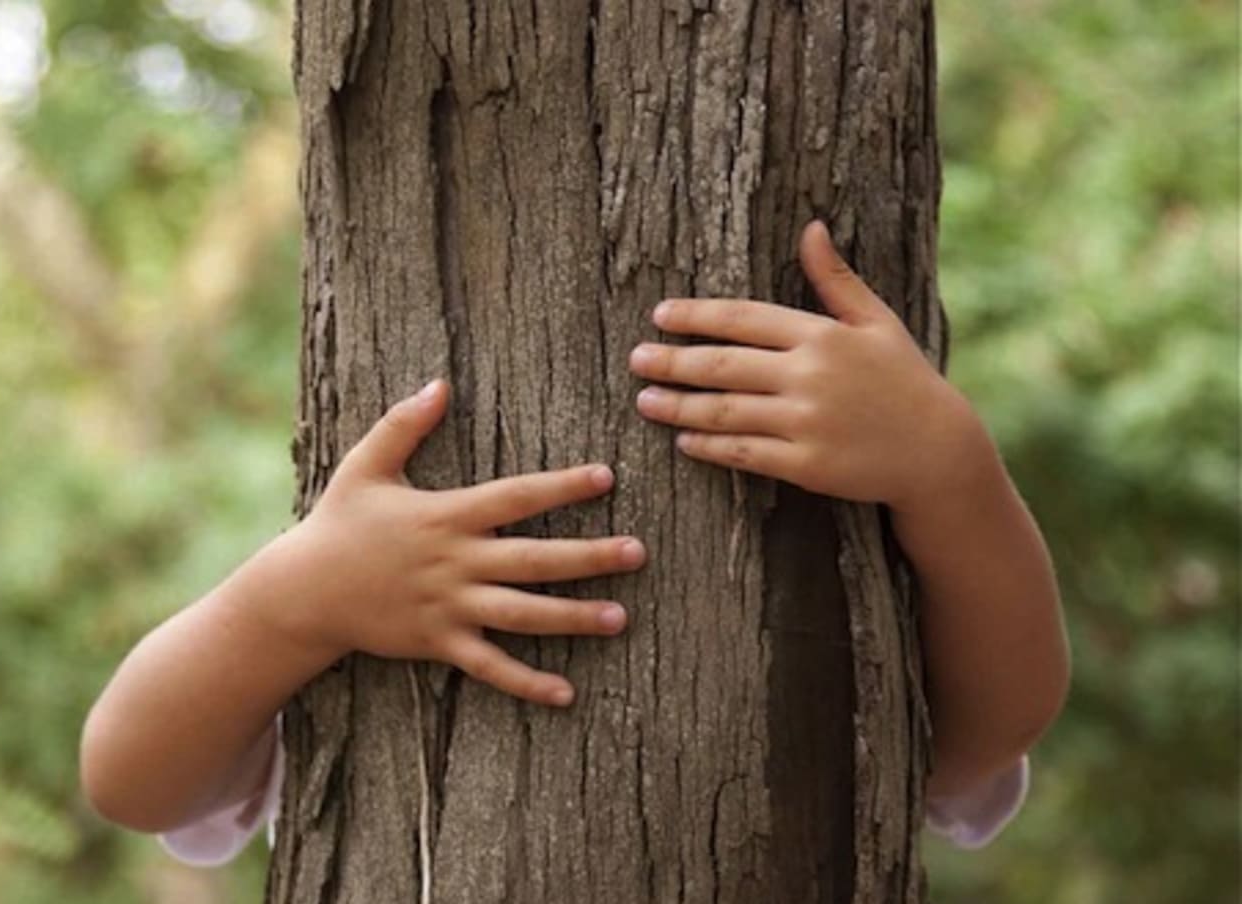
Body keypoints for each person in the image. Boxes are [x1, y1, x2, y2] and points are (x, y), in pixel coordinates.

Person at [79, 220, 1069, 866]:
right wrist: (294, 599)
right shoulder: (369, 615)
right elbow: (131, 776)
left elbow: (979, 734)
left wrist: (950, 472)